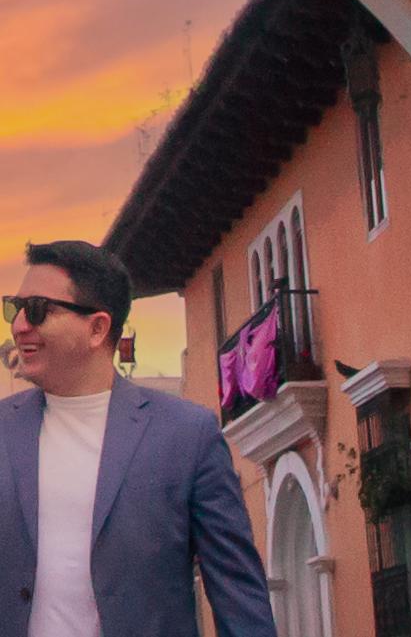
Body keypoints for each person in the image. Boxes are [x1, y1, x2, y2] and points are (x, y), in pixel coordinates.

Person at [0, 240, 277, 637]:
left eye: (39, 309)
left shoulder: (187, 436)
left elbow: (238, 596)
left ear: (97, 328)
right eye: (16, 308)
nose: (20, 326)